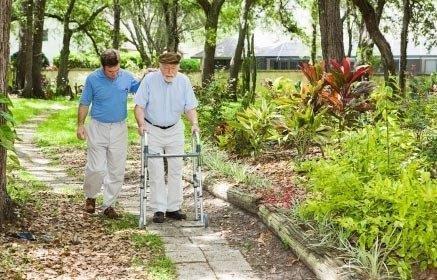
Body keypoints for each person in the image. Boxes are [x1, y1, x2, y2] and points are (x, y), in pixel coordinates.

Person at [133, 52, 199, 223]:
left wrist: (194, 123)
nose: (170, 72)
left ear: (178, 67)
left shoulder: (183, 81)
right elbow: (139, 106)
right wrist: (141, 125)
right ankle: (159, 209)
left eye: (173, 68)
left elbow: (190, 106)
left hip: (174, 128)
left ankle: (173, 207)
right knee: (155, 169)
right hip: (152, 128)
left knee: (176, 168)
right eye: (166, 68)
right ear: (159, 66)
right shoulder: (149, 80)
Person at [77, 49, 140, 219]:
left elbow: (141, 89)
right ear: (103, 67)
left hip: (119, 128)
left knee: (117, 169)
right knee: (96, 168)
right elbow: (84, 103)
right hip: (97, 126)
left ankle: (109, 205)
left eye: (116, 70)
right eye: (110, 71)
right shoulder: (93, 79)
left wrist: (149, 76)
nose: (114, 74)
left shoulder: (126, 76)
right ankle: (90, 197)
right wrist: (80, 125)